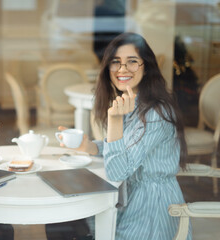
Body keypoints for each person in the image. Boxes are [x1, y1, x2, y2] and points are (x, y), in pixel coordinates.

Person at [59, 32, 192, 239]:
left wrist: (114, 120)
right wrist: (90, 147)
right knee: (65, 220)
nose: (122, 69)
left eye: (132, 62)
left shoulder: (157, 113)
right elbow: (127, 148)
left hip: (151, 210)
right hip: (129, 200)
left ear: (146, 67)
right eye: (115, 62)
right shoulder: (135, 102)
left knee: (69, 224)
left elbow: (117, 171)